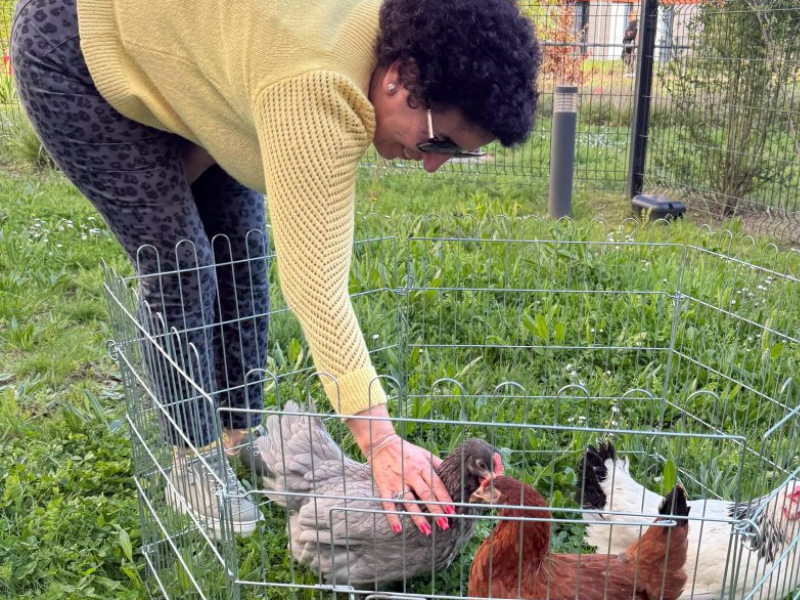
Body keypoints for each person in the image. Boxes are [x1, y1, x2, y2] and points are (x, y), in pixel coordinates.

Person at [10, 0, 540, 539]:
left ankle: (237, 438)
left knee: (241, 245)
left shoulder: (361, 55)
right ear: (400, 77)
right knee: (180, 261)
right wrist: (380, 440)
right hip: (74, 45)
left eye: (454, 154)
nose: (431, 164)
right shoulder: (318, 86)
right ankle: (192, 458)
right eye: (437, 141)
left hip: (178, 48)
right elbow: (316, 287)